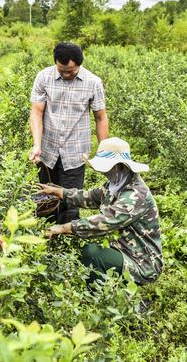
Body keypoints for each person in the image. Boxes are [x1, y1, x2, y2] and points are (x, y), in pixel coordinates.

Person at [41, 137, 162, 286]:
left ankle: (99, 298)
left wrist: (62, 228)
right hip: (121, 249)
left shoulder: (134, 194)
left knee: (92, 254)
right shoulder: (116, 183)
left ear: (120, 166)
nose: (103, 172)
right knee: (83, 249)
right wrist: (59, 192)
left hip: (142, 262)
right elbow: (91, 197)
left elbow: (105, 222)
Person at [29, 42, 109, 224]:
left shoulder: (93, 82)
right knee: (45, 198)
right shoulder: (43, 77)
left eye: (71, 71)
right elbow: (37, 112)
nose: (66, 74)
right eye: (61, 70)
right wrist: (37, 145)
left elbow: (100, 118)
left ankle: (67, 243)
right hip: (47, 150)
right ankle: (47, 239)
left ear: (79, 65)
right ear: (56, 63)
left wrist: (104, 152)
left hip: (75, 152)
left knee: (70, 201)